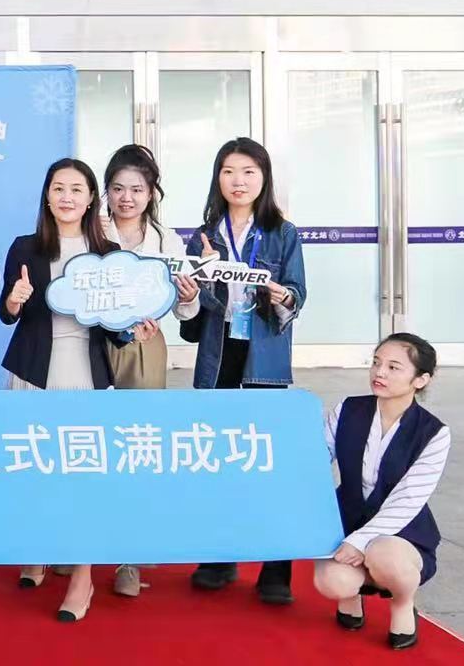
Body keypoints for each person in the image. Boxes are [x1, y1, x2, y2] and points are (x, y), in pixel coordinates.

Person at [0, 157, 132, 622]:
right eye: (58, 188)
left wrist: (131, 327)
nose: (67, 197)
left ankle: (82, 576)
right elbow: (6, 314)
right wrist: (14, 301)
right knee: (34, 471)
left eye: (77, 189)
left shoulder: (109, 251)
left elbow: (116, 327)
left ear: (91, 198)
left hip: (86, 375)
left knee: (84, 479)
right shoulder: (26, 246)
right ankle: (37, 550)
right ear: (47, 195)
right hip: (33, 371)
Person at [181, 137, 308, 603]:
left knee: (267, 463)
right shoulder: (203, 237)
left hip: (264, 358)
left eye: (249, 171)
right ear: (218, 178)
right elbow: (194, 317)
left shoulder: (282, 232)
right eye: (229, 171)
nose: (238, 181)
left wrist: (283, 295)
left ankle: (275, 569)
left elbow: (297, 293)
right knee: (217, 462)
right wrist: (193, 290)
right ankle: (219, 557)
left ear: (264, 178)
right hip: (218, 356)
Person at [96, 143, 201, 597]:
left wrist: (188, 295)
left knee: (137, 449)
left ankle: (130, 560)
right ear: (106, 191)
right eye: (118, 188)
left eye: (137, 189)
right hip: (91, 344)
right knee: (87, 441)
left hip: (144, 344)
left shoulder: (167, 241)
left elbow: (184, 310)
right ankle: (72, 547)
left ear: (152, 192)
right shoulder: (92, 231)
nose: (127, 198)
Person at [313, 334, 449, 652]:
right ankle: (352, 594)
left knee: (383, 555)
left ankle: (402, 603)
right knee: (332, 582)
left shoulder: (434, 433)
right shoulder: (348, 409)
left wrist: (360, 542)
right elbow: (315, 463)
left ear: (421, 380)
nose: (379, 372)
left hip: (401, 533)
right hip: (347, 521)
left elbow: (408, 500)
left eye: (393, 367)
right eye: (376, 363)